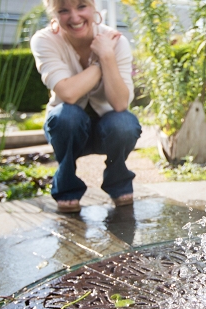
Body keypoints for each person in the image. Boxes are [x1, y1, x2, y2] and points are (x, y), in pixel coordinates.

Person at [30, 0, 141, 213]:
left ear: (94, 8)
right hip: (67, 129)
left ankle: (118, 181)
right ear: (54, 14)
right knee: (66, 116)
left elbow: (120, 104)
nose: (74, 17)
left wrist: (108, 55)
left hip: (108, 129)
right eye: (63, 10)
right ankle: (67, 186)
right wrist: (100, 63)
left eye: (81, 6)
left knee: (125, 123)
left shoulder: (115, 42)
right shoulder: (44, 40)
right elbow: (68, 94)